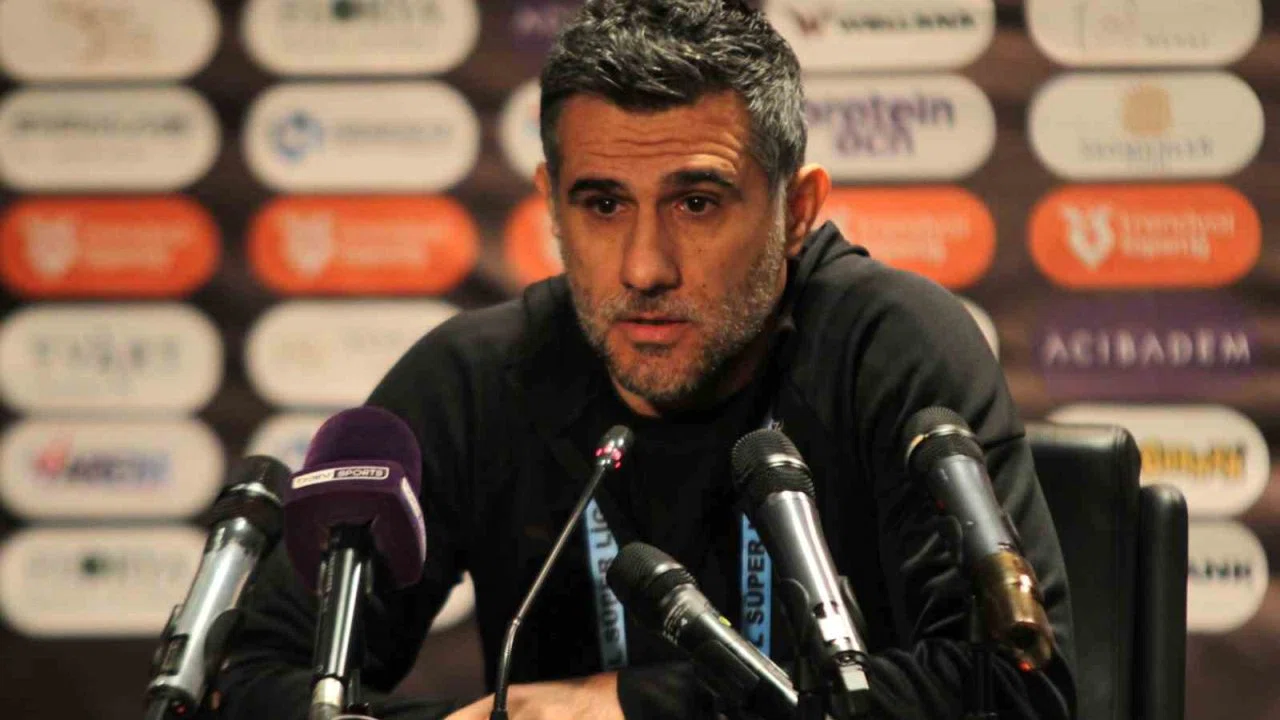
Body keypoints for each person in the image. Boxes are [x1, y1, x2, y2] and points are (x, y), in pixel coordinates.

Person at [214, 1, 1076, 718]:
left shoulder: (889, 349)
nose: (644, 268)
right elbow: (249, 681)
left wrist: (631, 707)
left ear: (797, 211)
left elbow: (1017, 690)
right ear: (552, 206)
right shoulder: (478, 379)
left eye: (696, 203)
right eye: (602, 205)